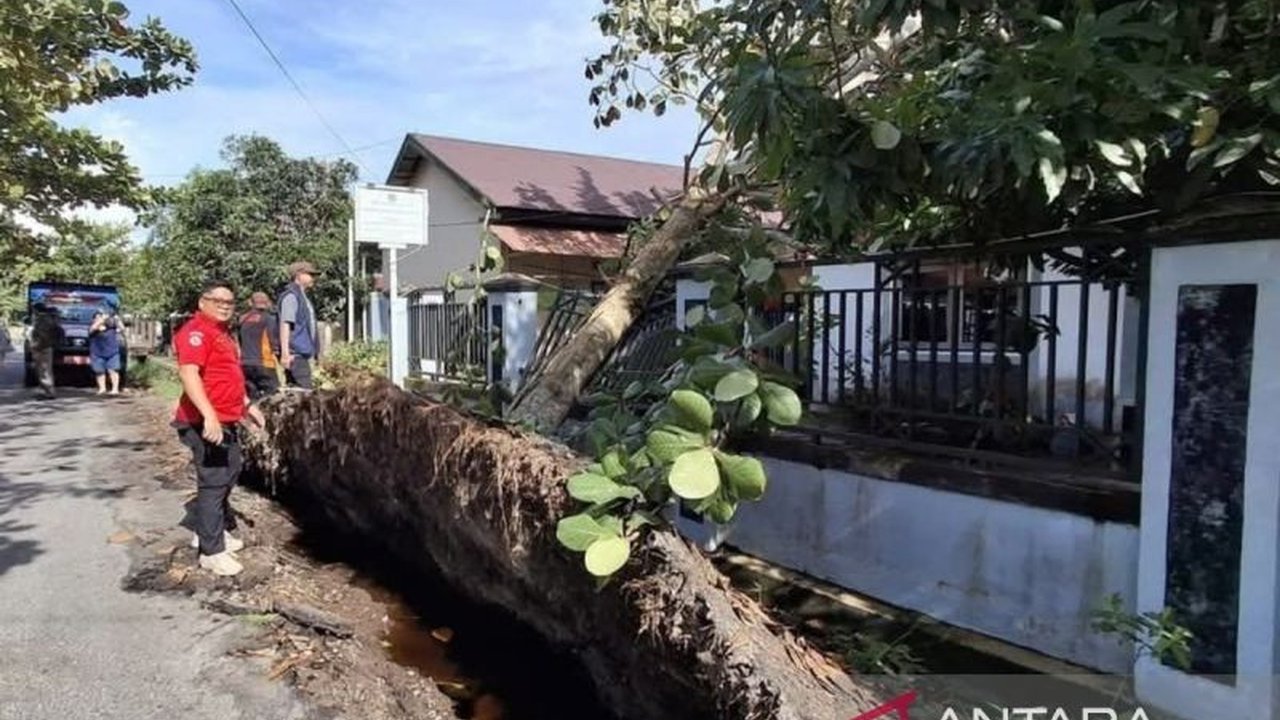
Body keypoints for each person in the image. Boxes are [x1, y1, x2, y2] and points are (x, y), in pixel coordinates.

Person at [173, 280, 264, 577]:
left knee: (231, 472)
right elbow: (189, 375)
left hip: (227, 417)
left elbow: (229, 376)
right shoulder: (195, 333)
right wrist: (209, 416)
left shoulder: (222, 334)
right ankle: (211, 552)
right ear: (203, 302)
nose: (225, 305)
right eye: (218, 300)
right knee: (213, 482)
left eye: (229, 301)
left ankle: (209, 531)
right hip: (203, 421)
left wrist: (248, 405)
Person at [278, 261, 318, 390]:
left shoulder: (302, 297)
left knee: (297, 394)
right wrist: (285, 354)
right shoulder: (291, 296)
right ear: (299, 275)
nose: (314, 278)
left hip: (301, 354)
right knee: (306, 393)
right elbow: (285, 324)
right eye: (310, 274)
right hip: (295, 355)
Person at [238, 291, 281, 400]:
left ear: (250, 303)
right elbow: (273, 342)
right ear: (268, 303)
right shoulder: (269, 319)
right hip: (264, 363)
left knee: (252, 399)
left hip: (244, 364)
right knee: (273, 398)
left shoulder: (242, 319)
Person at [28, 304, 62, 399]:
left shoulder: (43, 320)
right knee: (43, 371)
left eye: (34, 310)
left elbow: (43, 336)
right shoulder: (45, 319)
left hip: (43, 348)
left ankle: (49, 393)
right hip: (44, 347)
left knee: (44, 371)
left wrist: (36, 346)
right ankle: (45, 391)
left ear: (37, 310)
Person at [88, 304, 123, 395]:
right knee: (99, 371)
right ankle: (102, 388)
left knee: (113, 370)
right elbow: (93, 328)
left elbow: (122, 328)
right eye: (97, 317)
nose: (99, 318)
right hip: (97, 353)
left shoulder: (111, 326)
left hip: (112, 352)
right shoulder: (93, 327)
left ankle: (115, 389)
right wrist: (101, 319)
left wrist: (117, 319)